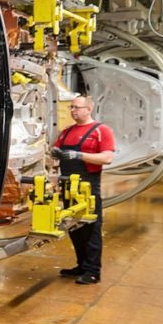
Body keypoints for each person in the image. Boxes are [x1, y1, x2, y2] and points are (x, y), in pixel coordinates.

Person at [51, 95, 116, 285]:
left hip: (87, 185)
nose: (73, 110)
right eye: (71, 107)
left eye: (77, 107)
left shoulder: (101, 130)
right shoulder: (66, 132)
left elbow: (107, 158)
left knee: (91, 228)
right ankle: (81, 265)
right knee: (74, 226)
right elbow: (54, 152)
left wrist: (79, 155)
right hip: (67, 184)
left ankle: (93, 271)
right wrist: (54, 154)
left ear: (88, 109)